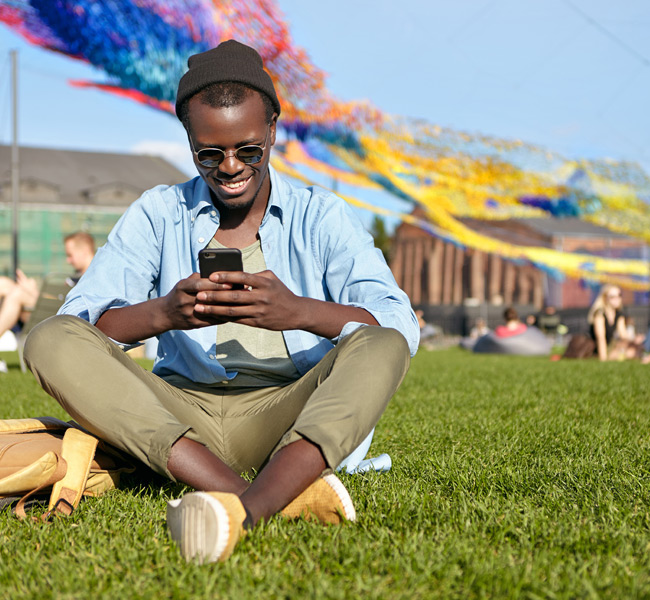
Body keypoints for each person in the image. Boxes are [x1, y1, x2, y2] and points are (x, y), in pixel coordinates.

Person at [24, 40, 419, 564]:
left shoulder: (321, 215)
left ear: (273, 130)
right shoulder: (159, 213)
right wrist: (163, 314)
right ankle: (268, 498)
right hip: (178, 416)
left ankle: (244, 513)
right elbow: (80, 323)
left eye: (248, 150)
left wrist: (299, 312)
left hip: (285, 416)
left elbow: (397, 324)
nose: (230, 167)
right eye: (210, 154)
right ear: (190, 143)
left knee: (383, 344)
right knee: (48, 340)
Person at [0, 232, 95, 373]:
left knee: (18, 293)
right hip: (52, 313)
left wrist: (32, 292)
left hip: (62, 320)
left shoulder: (95, 277)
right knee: (4, 283)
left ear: (84, 251)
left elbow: (65, 305)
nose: (68, 260)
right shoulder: (72, 279)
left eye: (70, 255)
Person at [587, 284, 641, 361]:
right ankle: (615, 356)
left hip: (610, 345)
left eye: (619, 295)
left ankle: (619, 356)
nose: (617, 299)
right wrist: (603, 359)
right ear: (605, 298)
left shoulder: (619, 314)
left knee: (633, 351)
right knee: (628, 352)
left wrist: (635, 340)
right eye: (613, 297)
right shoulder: (600, 313)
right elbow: (600, 338)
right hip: (597, 347)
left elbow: (623, 335)